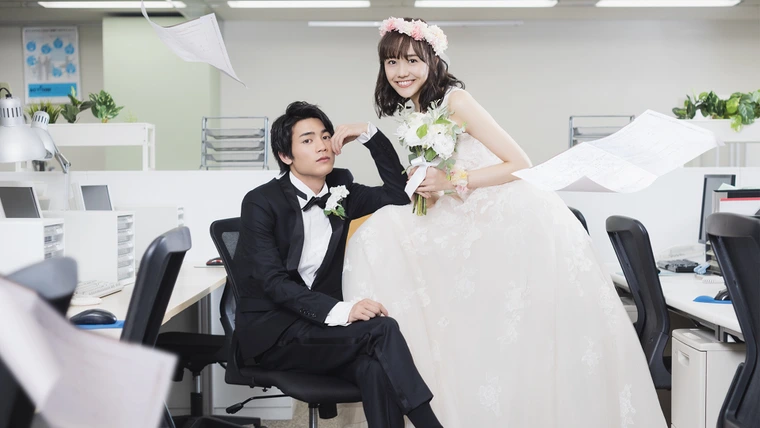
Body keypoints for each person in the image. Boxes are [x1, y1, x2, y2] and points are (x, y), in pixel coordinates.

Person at [337, 17, 668, 427]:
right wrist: (427, 181)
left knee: (509, 333)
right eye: (391, 63)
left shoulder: (456, 100)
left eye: (411, 60)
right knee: (385, 235)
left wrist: (449, 181)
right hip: (464, 214)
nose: (401, 71)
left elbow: (519, 163)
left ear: (432, 60)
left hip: (507, 216)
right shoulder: (420, 108)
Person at [233, 101, 444, 428]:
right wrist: (344, 311)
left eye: (324, 136)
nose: (321, 145)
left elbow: (400, 194)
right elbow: (273, 283)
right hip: (276, 334)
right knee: (382, 328)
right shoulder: (261, 202)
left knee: (374, 368)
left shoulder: (340, 190)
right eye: (307, 140)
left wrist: (370, 134)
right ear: (285, 156)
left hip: (319, 330)